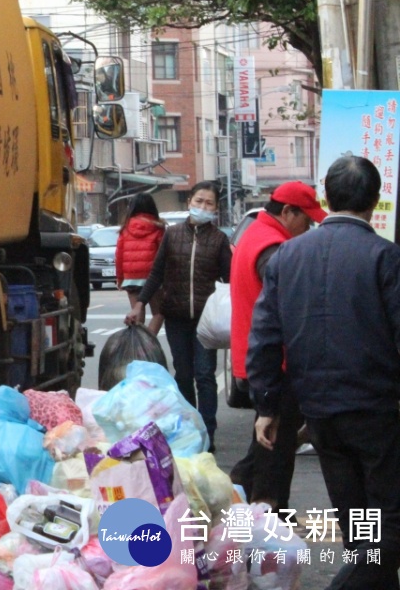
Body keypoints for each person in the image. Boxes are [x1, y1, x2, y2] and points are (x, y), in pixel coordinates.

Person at [248, 156, 400, 588]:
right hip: (373, 407)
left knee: (358, 521)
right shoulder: (384, 257)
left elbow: (264, 336)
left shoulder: (288, 256)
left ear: (326, 197)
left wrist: (267, 406)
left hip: (317, 409)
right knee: (388, 524)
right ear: (375, 201)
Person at [227, 182, 324, 511]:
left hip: (256, 359)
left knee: (268, 445)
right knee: (274, 451)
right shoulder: (273, 249)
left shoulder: (256, 236)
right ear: (287, 212)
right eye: (306, 220)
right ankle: (266, 520)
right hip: (274, 363)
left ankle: (236, 502)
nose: (308, 228)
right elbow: (288, 311)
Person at [125, 180, 230, 446]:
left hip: (206, 323)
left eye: (209, 203)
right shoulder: (172, 235)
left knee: (205, 376)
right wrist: (140, 304)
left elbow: (229, 282)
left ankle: (208, 433)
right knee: (183, 374)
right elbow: (156, 273)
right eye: (199, 201)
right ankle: (190, 429)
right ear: (189, 202)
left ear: (216, 209)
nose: (202, 207)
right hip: (176, 317)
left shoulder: (219, 240)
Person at [114, 192, 166, 335]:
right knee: (159, 313)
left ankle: (139, 345)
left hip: (131, 277)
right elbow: (163, 255)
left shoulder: (125, 228)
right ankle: (149, 342)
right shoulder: (158, 227)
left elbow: (119, 256)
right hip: (152, 278)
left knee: (137, 315)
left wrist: (120, 279)